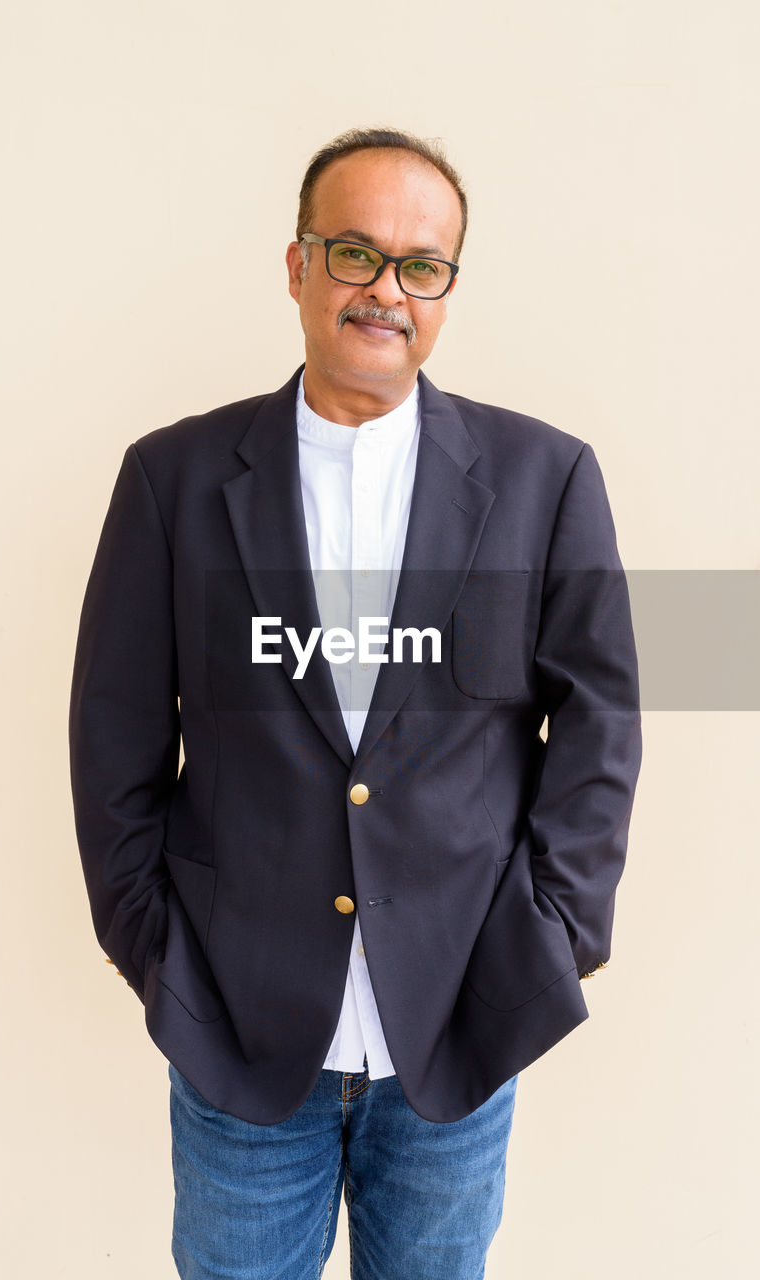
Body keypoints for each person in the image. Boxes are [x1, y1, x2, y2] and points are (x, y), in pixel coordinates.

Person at [70, 127, 642, 1280]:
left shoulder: (546, 478)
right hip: (236, 1032)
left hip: (460, 1023)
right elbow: (113, 734)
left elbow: (601, 719)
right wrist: (156, 949)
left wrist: (553, 929)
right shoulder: (169, 480)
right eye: (353, 251)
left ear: (444, 291)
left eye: (419, 264)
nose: (385, 288)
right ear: (296, 265)